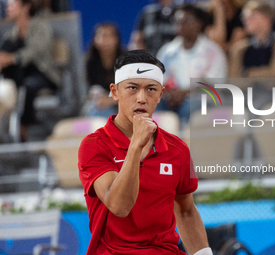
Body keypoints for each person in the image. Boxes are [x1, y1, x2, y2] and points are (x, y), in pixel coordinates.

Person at [78, 50, 212, 255]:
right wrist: (135, 147)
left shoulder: (178, 149)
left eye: (151, 89)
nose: (141, 98)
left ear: (160, 94)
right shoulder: (94, 145)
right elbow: (119, 206)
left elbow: (185, 211)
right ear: (114, 92)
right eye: (132, 88)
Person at [156, 4, 228, 125]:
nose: (180, 25)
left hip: (201, 98)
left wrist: (183, 94)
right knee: (152, 103)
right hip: (171, 99)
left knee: (189, 107)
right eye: (177, 21)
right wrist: (170, 95)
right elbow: (158, 81)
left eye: (185, 21)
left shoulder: (212, 52)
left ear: (199, 23)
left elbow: (213, 85)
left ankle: (183, 142)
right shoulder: (167, 52)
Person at [0, 0, 59, 141]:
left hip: (41, 74)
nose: (7, 8)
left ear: (25, 7)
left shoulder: (40, 28)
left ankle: (24, 130)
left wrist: (13, 58)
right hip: (18, 76)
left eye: (12, 5)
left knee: (28, 86)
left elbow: (35, 51)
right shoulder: (10, 35)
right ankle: (5, 133)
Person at [229, 0, 275, 110]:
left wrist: (247, 73)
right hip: (244, 95)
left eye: (250, 16)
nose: (245, 20)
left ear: (266, 18)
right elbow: (234, 81)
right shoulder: (240, 49)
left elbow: (274, 75)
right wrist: (261, 75)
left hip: (271, 96)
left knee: (256, 107)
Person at [84, 22, 124, 118]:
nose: (106, 40)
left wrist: (110, 100)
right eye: (102, 36)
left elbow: (132, 90)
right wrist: (96, 96)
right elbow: (87, 90)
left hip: (123, 102)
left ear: (117, 39)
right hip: (101, 104)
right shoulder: (89, 62)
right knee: (94, 109)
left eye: (110, 36)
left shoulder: (127, 60)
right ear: (95, 40)